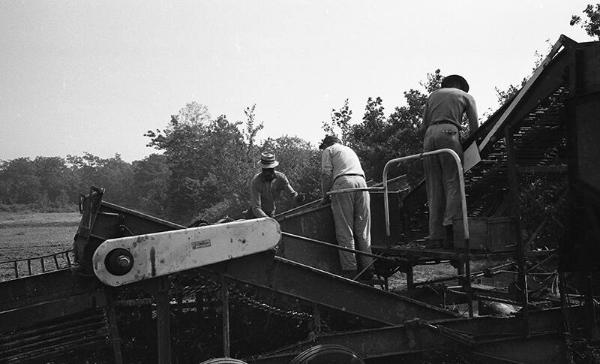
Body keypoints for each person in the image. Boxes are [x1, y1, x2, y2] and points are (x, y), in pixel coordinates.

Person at [422, 74, 478, 249]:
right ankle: (450, 228)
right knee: (453, 182)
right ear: (461, 86)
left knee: (434, 186)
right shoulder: (466, 96)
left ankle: (435, 235)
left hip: (429, 136)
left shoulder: (432, 95)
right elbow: (475, 127)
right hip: (449, 132)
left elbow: (423, 126)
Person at [319, 135, 373, 280]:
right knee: (363, 231)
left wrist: (325, 196)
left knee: (345, 231)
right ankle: (369, 271)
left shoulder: (328, 150)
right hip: (362, 183)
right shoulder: (349, 150)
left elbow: (326, 174)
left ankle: (350, 273)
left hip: (343, 183)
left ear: (326, 144)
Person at [249, 152, 302, 218]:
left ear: (273, 168)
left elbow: (292, 194)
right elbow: (256, 208)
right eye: (265, 170)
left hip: (271, 213)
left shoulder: (281, 178)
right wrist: (267, 220)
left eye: (270, 169)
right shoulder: (256, 182)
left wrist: (298, 198)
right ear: (262, 168)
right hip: (256, 216)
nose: (267, 172)